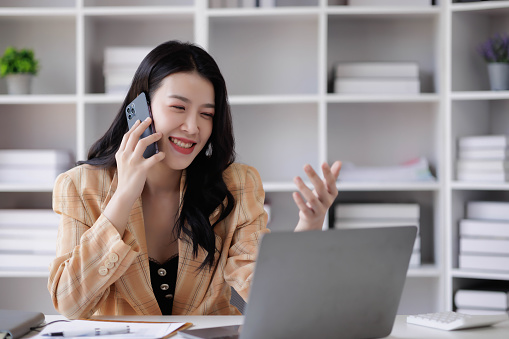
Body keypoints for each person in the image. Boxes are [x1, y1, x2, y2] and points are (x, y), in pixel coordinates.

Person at [48, 40, 341, 319]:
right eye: (178, 107)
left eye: (207, 114)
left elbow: (270, 296)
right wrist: (124, 195)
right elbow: (69, 303)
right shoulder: (80, 186)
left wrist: (310, 225)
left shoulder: (237, 184)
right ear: (141, 109)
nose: (192, 127)